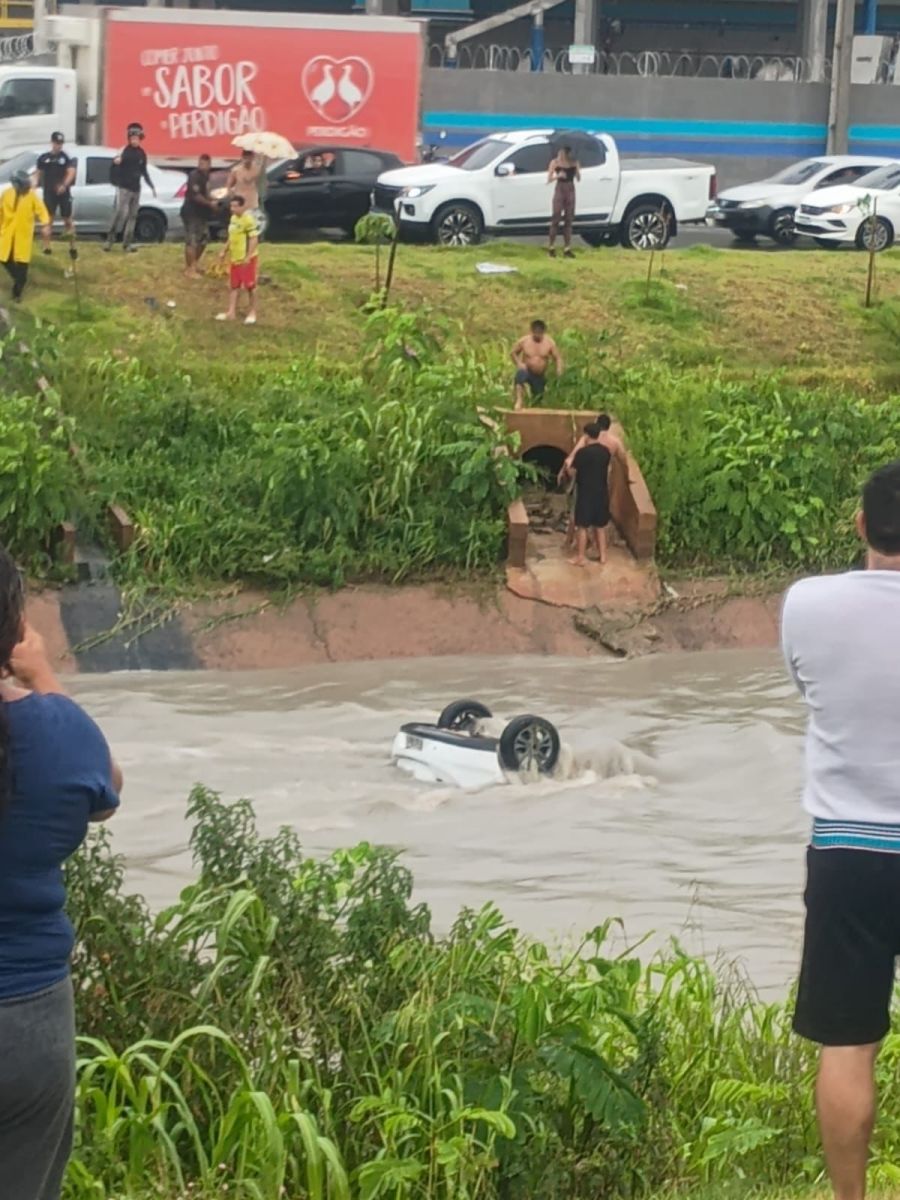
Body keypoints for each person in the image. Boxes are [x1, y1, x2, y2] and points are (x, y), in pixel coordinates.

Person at [782, 460, 900, 1200]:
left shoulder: (807, 604)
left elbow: (807, 687)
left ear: (860, 525)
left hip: (848, 851)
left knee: (848, 1045)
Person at [0, 547, 122, 1200]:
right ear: (14, 622)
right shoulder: (56, 730)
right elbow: (106, 783)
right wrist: (42, 673)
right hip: (29, 1026)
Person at [559, 415, 627, 551]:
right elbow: (623, 460)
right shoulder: (614, 442)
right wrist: (628, 476)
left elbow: (573, 456)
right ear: (609, 426)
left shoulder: (587, 438)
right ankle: (599, 548)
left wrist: (563, 470)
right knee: (600, 516)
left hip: (584, 479)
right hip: (603, 479)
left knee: (578, 512)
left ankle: (571, 541)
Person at [104, 123, 156, 254]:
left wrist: (151, 185)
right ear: (129, 139)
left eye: (137, 138)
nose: (135, 141)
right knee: (120, 213)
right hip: (124, 188)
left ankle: (127, 243)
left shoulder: (142, 154)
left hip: (135, 189)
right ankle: (110, 240)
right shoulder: (124, 151)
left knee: (133, 216)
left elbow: (144, 171)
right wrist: (115, 174)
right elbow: (114, 166)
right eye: (133, 138)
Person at [0, 170, 51, 301]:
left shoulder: (31, 196)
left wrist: (45, 224)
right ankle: (18, 278)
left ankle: (17, 294)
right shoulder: (6, 194)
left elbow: (42, 210)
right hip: (7, 233)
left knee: (22, 265)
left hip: (23, 235)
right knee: (4, 258)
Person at [567, 422, 611, 567]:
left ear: (586, 435)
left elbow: (572, 471)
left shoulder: (582, 453)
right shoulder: (606, 452)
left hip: (586, 492)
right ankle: (603, 556)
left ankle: (581, 557)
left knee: (582, 525)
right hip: (602, 492)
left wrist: (568, 468)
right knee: (600, 526)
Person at [216, 194, 259, 325]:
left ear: (242, 206)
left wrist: (248, 256)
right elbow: (232, 236)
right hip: (235, 258)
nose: (233, 209)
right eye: (231, 206)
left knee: (250, 286)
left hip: (246, 258)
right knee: (234, 285)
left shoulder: (249, 220)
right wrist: (224, 250)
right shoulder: (233, 219)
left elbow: (253, 239)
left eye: (235, 206)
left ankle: (252, 312)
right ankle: (231, 312)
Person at [511, 319, 563, 409]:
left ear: (543, 332)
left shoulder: (549, 343)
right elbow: (513, 352)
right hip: (527, 370)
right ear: (532, 331)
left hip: (539, 375)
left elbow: (557, 357)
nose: (537, 334)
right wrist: (518, 363)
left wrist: (559, 369)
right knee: (520, 375)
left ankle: (534, 410)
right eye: (535, 332)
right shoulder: (524, 341)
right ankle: (519, 401)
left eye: (539, 332)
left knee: (538, 397)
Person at [36, 132, 76, 244]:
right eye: (57, 143)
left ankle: (72, 247)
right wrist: (32, 187)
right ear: (52, 142)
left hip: (64, 193)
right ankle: (46, 247)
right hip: (49, 192)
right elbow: (38, 174)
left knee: (68, 220)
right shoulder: (44, 158)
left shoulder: (66, 157)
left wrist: (64, 185)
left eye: (61, 143)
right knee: (48, 220)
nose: (59, 146)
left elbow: (71, 172)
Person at [181, 153, 216, 278]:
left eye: (206, 163)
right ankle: (189, 269)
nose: (203, 165)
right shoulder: (194, 176)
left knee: (204, 239)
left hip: (202, 214)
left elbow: (206, 192)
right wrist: (209, 203)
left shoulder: (207, 177)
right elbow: (196, 196)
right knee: (192, 241)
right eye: (201, 163)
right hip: (191, 212)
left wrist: (214, 199)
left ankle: (194, 264)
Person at [547, 145, 581, 258]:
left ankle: (567, 248)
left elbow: (578, 179)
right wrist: (558, 176)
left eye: (563, 152)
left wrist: (577, 170)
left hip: (570, 189)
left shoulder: (573, 162)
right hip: (560, 189)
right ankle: (551, 246)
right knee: (556, 216)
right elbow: (548, 179)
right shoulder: (555, 163)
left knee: (568, 219)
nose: (560, 154)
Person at [226, 148, 264, 222]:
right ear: (242, 157)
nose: (247, 159)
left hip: (252, 202)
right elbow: (229, 185)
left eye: (249, 157)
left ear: (252, 157)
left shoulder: (257, 170)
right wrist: (231, 196)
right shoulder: (236, 170)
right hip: (240, 203)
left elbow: (261, 183)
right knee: (239, 225)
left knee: (252, 226)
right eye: (245, 157)